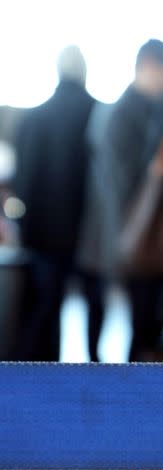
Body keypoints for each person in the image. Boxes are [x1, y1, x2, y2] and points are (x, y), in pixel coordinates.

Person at [81, 39, 163, 362]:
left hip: (125, 232)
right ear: (149, 66)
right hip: (128, 232)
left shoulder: (132, 108)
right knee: (136, 316)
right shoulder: (124, 112)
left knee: (139, 317)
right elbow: (123, 183)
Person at [11, 46, 97, 361]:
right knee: (95, 307)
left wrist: (24, 227)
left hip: (43, 234)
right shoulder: (97, 113)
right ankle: (99, 376)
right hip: (90, 232)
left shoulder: (33, 119)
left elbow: (23, 181)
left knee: (44, 310)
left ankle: (42, 385)